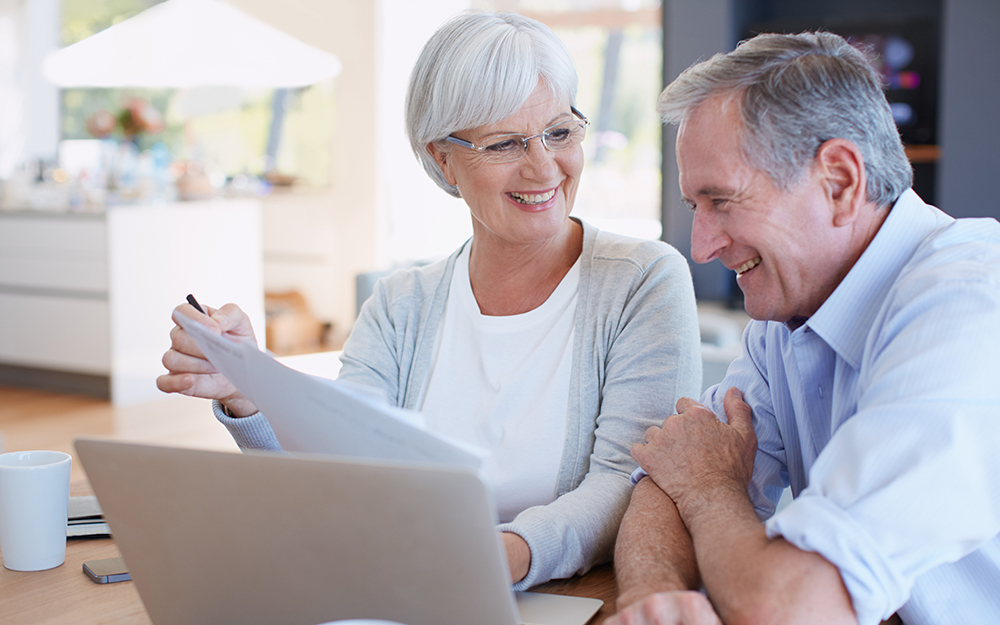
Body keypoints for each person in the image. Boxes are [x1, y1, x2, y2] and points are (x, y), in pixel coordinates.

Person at [157, 10, 702, 591]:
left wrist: (501, 555)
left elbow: (628, 480)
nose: (544, 166)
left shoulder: (643, 281)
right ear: (442, 159)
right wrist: (250, 390)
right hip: (406, 589)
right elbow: (336, 477)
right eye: (504, 144)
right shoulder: (399, 306)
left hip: (558, 597)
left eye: (560, 132)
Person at [609, 31, 1000, 625]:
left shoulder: (971, 305)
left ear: (839, 182)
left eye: (722, 200)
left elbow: (784, 607)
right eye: (695, 206)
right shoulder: (788, 312)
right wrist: (654, 600)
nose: (702, 247)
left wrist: (710, 491)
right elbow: (667, 477)